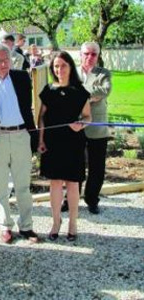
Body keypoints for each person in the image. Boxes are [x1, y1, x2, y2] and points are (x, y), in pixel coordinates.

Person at [0, 44, 39, 244]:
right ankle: (5, 226)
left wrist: (34, 136)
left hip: (20, 135)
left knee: (23, 186)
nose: (3, 64)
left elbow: (29, 107)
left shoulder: (22, 78)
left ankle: (26, 226)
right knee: (0, 187)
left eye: (6, 60)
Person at [38, 51, 91, 242]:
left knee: (73, 183)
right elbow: (42, 117)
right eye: (56, 66)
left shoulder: (80, 91)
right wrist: (41, 140)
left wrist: (81, 125)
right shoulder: (48, 90)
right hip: (53, 142)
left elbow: (87, 116)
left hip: (73, 141)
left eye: (63, 65)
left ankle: (73, 223)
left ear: (70, 67)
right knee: (55, 183)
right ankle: (56, 221)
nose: (59, 70)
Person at [61, 42, 112, 215]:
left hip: (97, 128)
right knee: (72, 165)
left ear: (98, 56)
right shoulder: (70, 72)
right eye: (86, 54)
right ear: (80, 54)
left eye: (93, 54)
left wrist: (79, 95)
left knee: (97, 168)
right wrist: (89, 96)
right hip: (75, 128)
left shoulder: (103, 73)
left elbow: (103, 92)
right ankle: (69, 199)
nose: (89, 57)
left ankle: (92, 200)